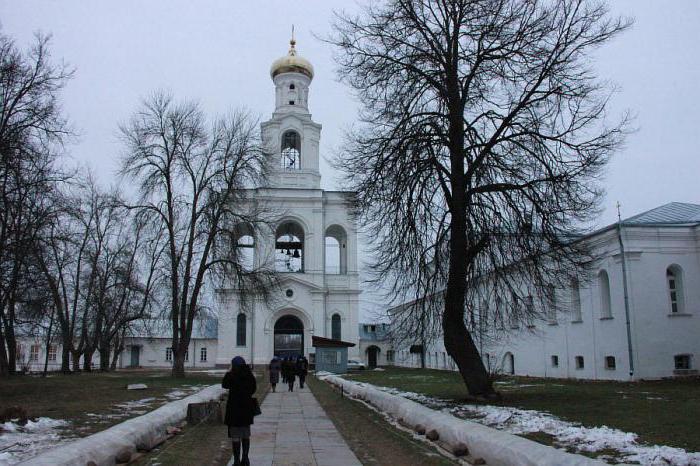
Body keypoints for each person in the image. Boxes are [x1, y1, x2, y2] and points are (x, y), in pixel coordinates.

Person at [222, 356, 257, 466]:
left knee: (235, 436)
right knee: (245, 434)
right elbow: (253, 389)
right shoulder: (249, 376)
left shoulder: (232, 375)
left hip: (234, 409)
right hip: (246, 408)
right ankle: (245, 459)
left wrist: (228, 372)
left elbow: (224, 384)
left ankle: (237, 461)